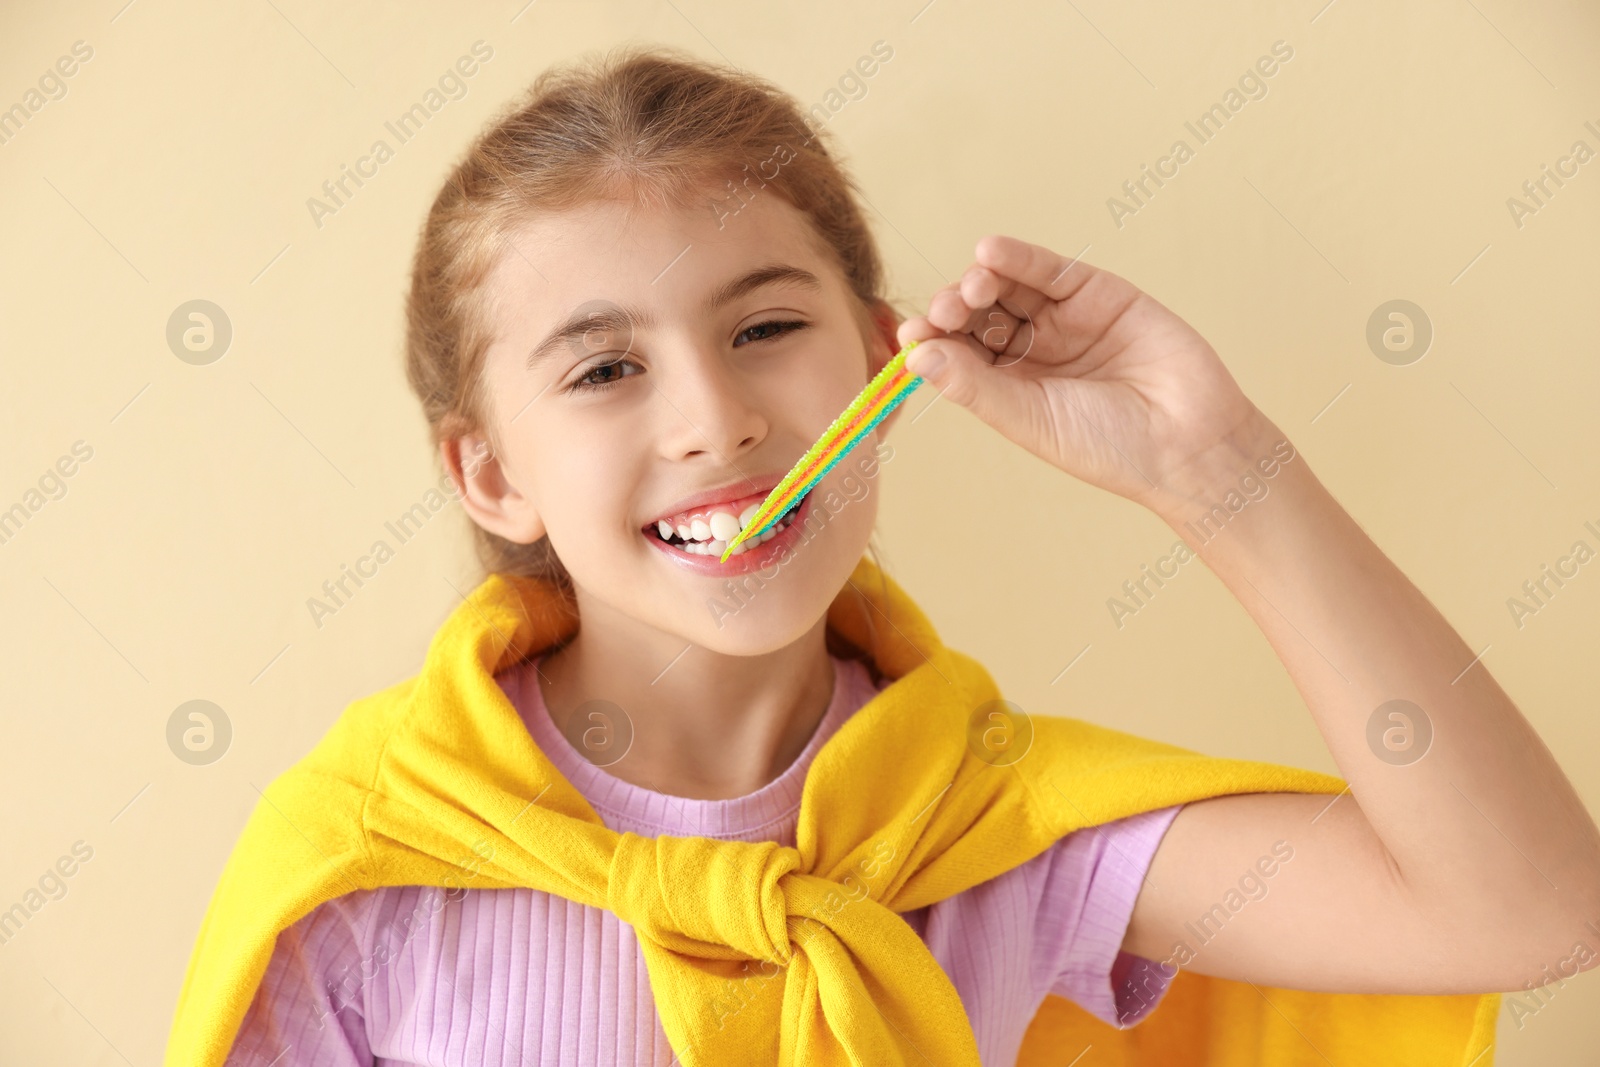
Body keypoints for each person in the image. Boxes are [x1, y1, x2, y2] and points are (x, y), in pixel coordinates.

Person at [217, 44, 1600, 1066]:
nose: (715, 418)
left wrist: (1218, 471)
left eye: (765, 329)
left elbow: (1527, 913)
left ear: (885, 364)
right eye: (603, 370)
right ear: (490, 471)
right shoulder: (367, 872)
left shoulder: (1001, 827)